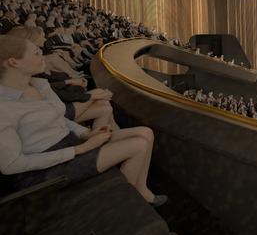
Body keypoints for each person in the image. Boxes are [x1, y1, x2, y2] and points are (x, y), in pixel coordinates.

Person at [0, 35, 166, 206]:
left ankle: (141, 190)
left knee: (146, 133)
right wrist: (80, 149)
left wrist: (87, 133)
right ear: (13, 62)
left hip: (68, 143)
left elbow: (59, 118)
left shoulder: (39, 84)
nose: (42, 55)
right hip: (44, 171)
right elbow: (12, 165)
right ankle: (125, 203)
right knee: (138, 145)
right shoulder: (3, 107)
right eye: (36, 53)